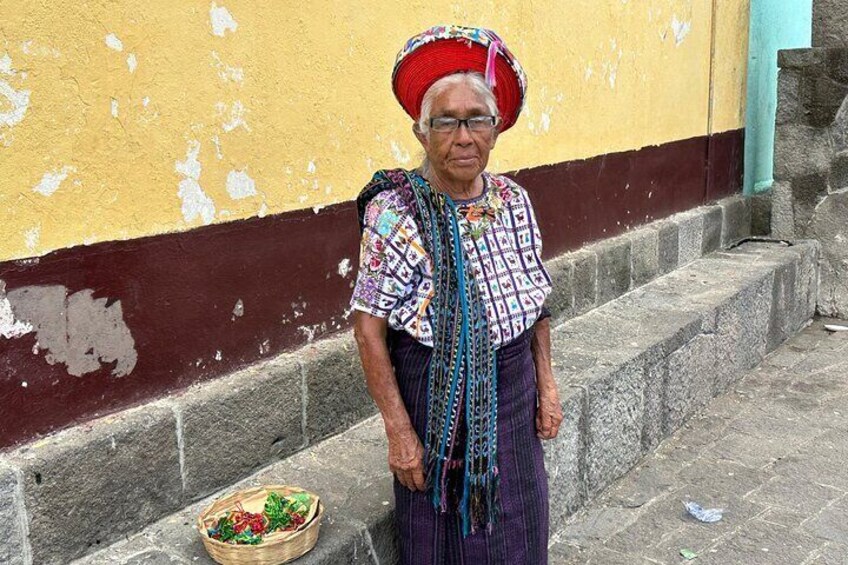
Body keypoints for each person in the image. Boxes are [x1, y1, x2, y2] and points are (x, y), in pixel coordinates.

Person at [350, 25, 563, 564]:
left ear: (496, 130)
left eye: (477, 121)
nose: (463, 137)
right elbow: (369, 329)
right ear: (421, 133)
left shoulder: (515, 201)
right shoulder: (394, 212)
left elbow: (535, 304)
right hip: (433, 403)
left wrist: (548, 386)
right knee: (440, 543)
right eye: (446, 121)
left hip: (513, 396)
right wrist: (399, 432)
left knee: (521, 530)